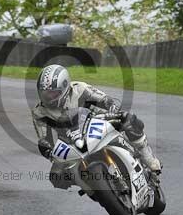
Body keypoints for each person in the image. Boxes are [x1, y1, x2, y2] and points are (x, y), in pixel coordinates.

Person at [32, 64, 162, 174]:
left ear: (65, 86)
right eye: (44, 93)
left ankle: (148, 158)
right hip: (71, 142)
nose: (48, 97)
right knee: (56, 176)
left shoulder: (80, 89)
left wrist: (111, 106)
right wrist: (49, 151)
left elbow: (105, 99)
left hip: (97, 122)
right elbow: (44, 140)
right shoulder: (39, 112)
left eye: (53, 93)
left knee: (128, 119)